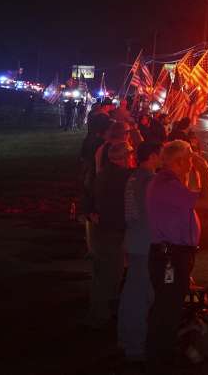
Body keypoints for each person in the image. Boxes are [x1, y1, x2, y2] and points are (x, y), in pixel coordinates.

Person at [145, 140, 208, 371]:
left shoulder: (169, 182)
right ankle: (159, 360)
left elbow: (189, 199)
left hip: (172, 256)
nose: (192, 161)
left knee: (169, 307)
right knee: (168, 309)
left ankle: (160, 355)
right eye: (190, 157)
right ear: (180, 161)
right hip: (170, 259)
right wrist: (205, 172)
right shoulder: (167, 184)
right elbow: (207, 202)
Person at [119, 140, 162, 364]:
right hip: (144, 244)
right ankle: (134, 345)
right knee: (139, 296)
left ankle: (128, 339)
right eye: (160, 154)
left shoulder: (133, 177)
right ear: (153, 156)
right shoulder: (149, 181)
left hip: (133, 240)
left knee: (133, 293)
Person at [85, 140, 134, 328]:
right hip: (113, 231)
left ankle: (98, 311)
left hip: (101, 230)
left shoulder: (103, 174)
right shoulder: (125, 177)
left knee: (100, 273)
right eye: (130, 155)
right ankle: (102, 316)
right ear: (125, 157)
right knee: (111, 275)